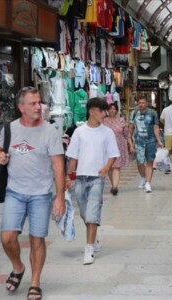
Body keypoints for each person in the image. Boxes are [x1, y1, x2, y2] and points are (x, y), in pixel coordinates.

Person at [0, 86, 65, 300]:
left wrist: (59, 196)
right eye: (33, 103)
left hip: (41, 194)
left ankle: (35, 282)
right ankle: (17, 267)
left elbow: (58, 166)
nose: (38, 107)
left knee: (37, 239)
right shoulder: (9, 128)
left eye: (39, 102)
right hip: (14, 192)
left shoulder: (50, 131)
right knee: (7, 238)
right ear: (21, 107)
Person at [66, 98, 120, 265]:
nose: (104, 114)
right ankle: (94, 238)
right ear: (91, 111)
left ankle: (89, 248)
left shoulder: (107, 132)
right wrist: (68, 176)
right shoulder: (79, 132)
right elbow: (73, 156)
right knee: (84, 213)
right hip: (81, 177)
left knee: (92, 213)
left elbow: (113, 155)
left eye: (105, 110)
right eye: (101, 110)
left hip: (97, 178)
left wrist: (105, 168)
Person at [129, 97, 164, 193]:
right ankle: (144, 177)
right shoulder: (134, 113)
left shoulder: (152, 113)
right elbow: (131, 127)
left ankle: (148, 182)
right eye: (139, 103)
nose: (141, 104)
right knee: (139, 163)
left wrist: (159, 140)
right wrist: (131, 144)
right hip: (138, 141)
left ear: (147, 103)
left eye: (143, 103)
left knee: (149, 162)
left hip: (150, 141)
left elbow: (156, 127)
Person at [102, 102, 132, 195]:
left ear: (116, 110)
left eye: (114, 109)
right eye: (110, 109)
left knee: (117, 167)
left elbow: (127, 135)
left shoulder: (121, 121)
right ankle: (113, 184)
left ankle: (115, 187)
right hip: (106, 147)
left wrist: (131, 146)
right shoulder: (103, 121)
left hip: (119, 146)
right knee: (110, 167)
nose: (112, 110)